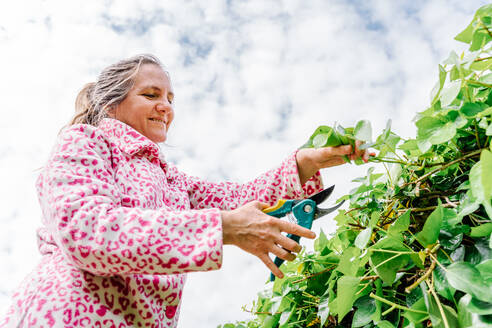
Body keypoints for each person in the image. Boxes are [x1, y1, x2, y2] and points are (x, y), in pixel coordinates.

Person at [0, 54, 369, 327]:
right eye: (151, 94)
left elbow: (242, 197)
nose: (166, 107)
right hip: (68, 313)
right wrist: (221, 229)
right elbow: (86, 229)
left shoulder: (174, 181)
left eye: (171, 98)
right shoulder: (86, 142)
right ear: (112, 105)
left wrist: (306, 162)